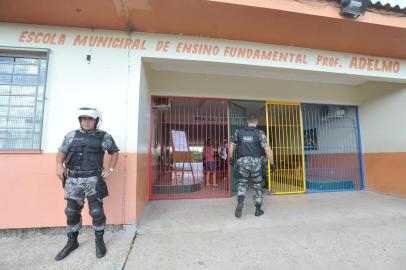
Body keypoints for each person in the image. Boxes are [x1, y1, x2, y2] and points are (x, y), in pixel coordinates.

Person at [55, 106, 119, 261]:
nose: (86, 122)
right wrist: (59, 166)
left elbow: (114, 152)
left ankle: (99, 240)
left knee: (96, 211)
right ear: (80, 120)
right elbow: (62, 151)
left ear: (96, 121)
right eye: (83, 119)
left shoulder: (104, 136)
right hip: (73, 179)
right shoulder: (71, 135)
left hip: (93, 179)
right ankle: (72, 241)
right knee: (71, 211)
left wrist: (110, 169)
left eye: (90, 119)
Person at [229, 114, 276, 218]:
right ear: (256, 122)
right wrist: (272, 163)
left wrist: (231, 158)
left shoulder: (238, 132)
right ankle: (258, 210)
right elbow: (268, 149)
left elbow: (231, 145)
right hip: (255, 163)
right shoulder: (259, 133)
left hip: (242, 161)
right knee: (257, 185)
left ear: (247, 121)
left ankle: (240, 203)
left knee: (242, 183)